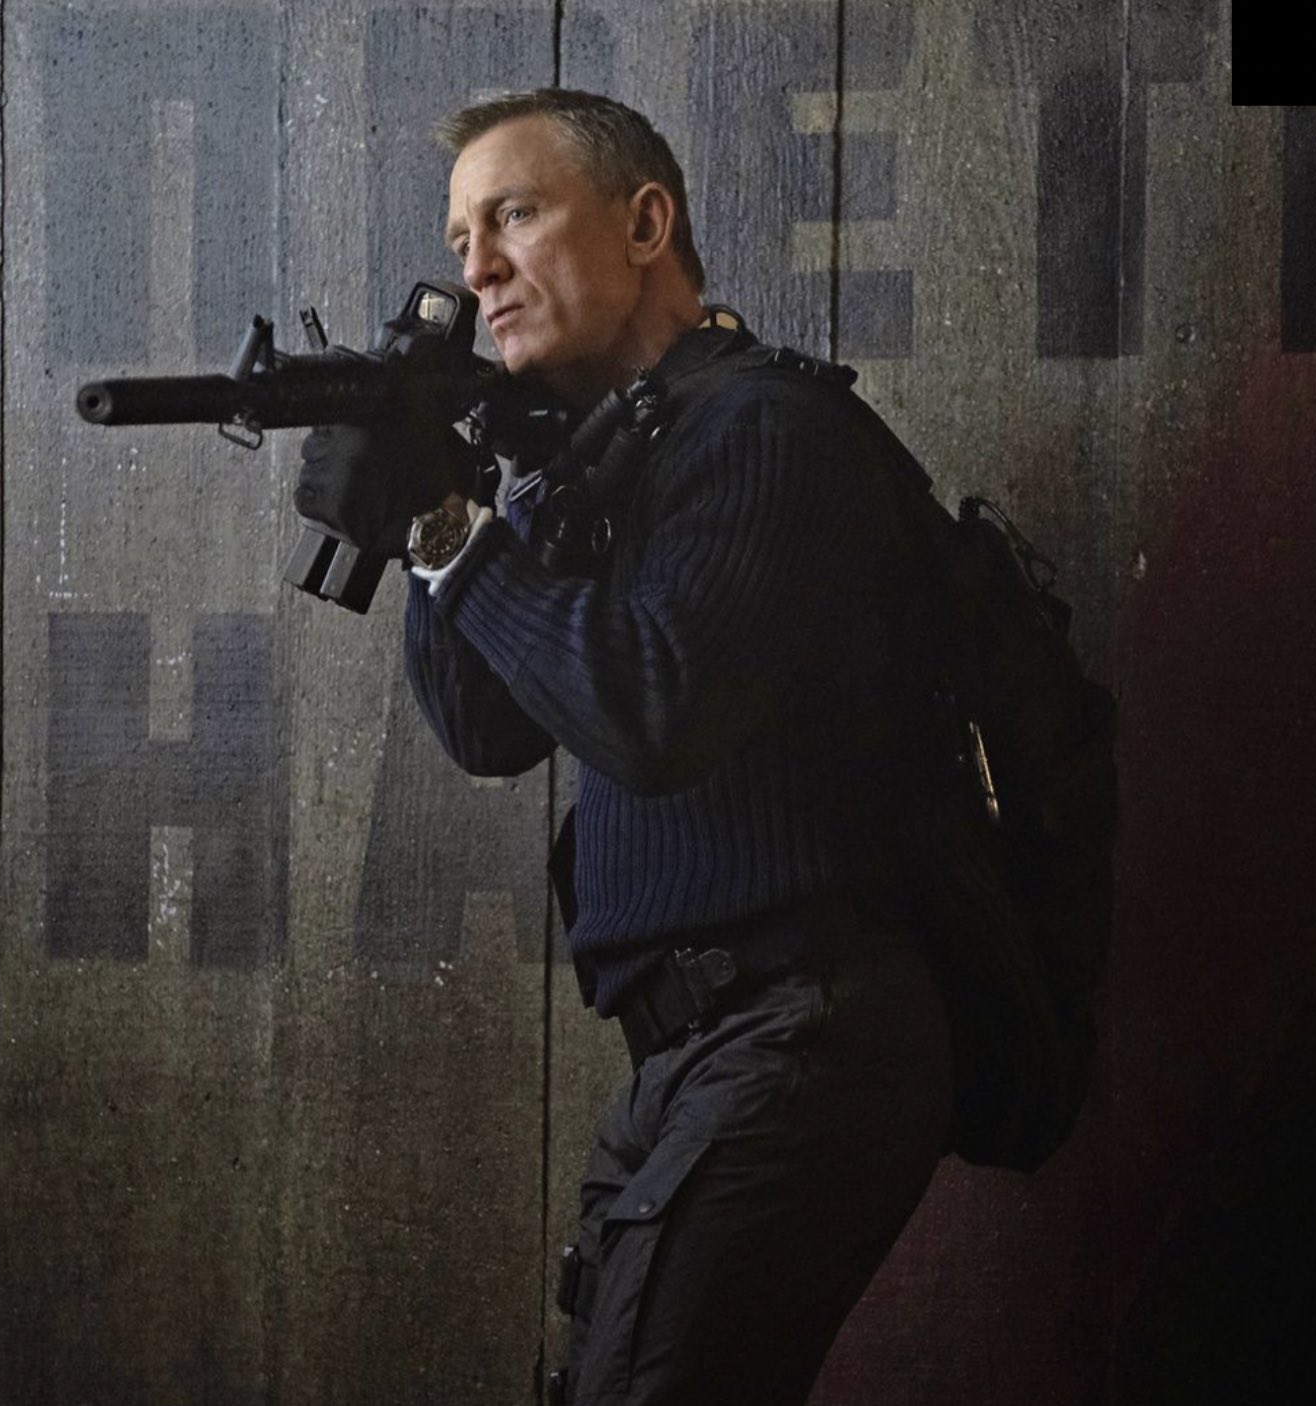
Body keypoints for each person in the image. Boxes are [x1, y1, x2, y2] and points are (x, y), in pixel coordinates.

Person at [295, 88, 955, 1406]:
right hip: (691, 1053)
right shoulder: (613, 459)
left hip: (804, 1030)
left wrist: (446, 528)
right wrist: (453, 491)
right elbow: (488, 727)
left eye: (514, 215)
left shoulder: (765, 430)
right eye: (462, 237)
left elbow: (654, 715)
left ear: (647, 225)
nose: (476, 269)